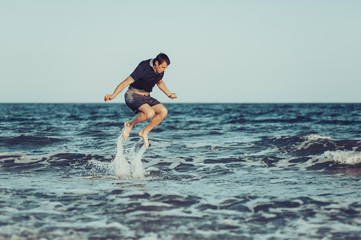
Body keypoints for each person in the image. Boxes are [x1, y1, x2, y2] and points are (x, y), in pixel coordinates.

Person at [104, 53, 177, 148]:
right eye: (162, 67)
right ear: (156, 63)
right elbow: (125, 82)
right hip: (133, 95)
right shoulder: (143, 67)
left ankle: (144, 132)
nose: (164, 70)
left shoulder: (160, 71)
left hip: (146, 97)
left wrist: (169, 94)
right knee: (149, 113)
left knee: (163, 111)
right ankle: (129, 125)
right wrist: (113, 95)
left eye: (165, 68)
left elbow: (159, 82)